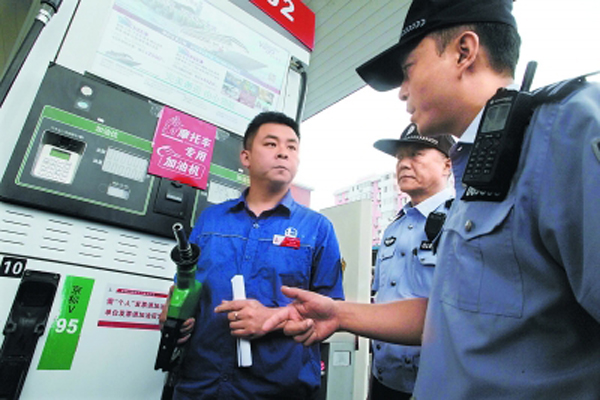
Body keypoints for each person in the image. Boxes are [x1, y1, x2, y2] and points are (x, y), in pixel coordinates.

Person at [263, 0, 600, 398]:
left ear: (463, 51)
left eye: (408, 69)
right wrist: (338, 313)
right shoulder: (477, 177)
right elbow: (451, 313)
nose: (402, 92)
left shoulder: (567, 130)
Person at [167, 111, 345, 400]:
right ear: (246, 157)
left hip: (278, 390)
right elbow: (186, 286)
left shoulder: (317, 229)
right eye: (271, 144)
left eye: (292, 147)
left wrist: (272, 319)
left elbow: (332, 313)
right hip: (200, 385)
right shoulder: (211, 220)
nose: (283, 153)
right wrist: (176, 314)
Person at [368, 123, 454, 400]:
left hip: (437, 385)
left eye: (416, 154)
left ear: (447, 164)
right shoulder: (393, 229)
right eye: (399, 157)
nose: (403, 164)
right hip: (384, 379)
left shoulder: (462, 220)